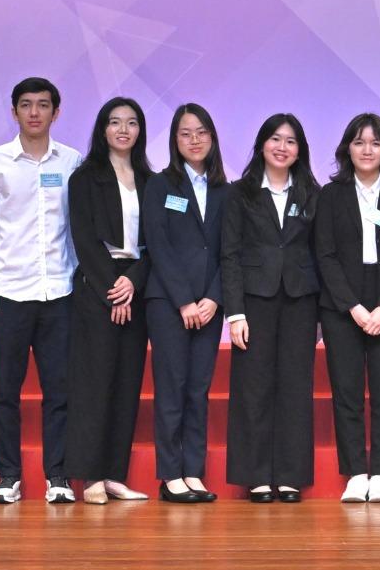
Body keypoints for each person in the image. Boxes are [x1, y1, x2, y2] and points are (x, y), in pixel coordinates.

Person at [0, 77, 79, 505]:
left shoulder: (71, 160)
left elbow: (79, 228)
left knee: (60, 392)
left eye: (43, 104)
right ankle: (7, 477)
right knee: (4, 392)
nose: (35, 112)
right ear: (14, 111)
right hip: (9, 293)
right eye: (27, 105)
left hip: (61, 292)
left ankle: (58, 476)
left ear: (57, 111)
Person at [222, 113, 322, 504]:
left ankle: (292, 476)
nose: (282, 147)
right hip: (254, 301)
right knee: (253, 387)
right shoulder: (240, 193)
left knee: (296, 387)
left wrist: (321, 313)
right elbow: (229, 255)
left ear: (300, 150)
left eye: (291, 141)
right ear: (262, 144)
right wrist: (235, 313)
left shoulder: (312, 193)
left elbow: (320, 252)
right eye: (275, 139)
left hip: (301, 300)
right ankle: (257, 476)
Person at [315, 113, 380, 502]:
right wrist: (353, 306)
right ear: (347, 149)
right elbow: (325, 255)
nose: (367, 150)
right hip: (342, 305)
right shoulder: (330, 194)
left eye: (375, 143)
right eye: (359, 142)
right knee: (347, 392)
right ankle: (355, 472)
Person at [65, 97, 153, 505]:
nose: (123, 130)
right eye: (115, 122)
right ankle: (91, 476)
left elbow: (157, 243)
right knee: (94, 383)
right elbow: (84, 239)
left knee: (127, 383)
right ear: (103, 129)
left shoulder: (152, 180)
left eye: (132, 123)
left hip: (137, 287)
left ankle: (115, 474)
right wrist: (112, 289)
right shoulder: (85, 177)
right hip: (97, 287)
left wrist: (132, 282)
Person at [142, 103, 228, 503]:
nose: (194, 140)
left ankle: (193, 471)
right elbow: (158, 246)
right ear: (175, 140)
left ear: (212, 138)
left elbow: (231, 251)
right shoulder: (160, 185)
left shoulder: (227, 190)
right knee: (172, 388)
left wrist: (213, 297)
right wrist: (184, 301)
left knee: (198, 390)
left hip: (210, 305)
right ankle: (170, 474)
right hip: (168, 304)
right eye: (185, 133)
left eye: (201, 132)